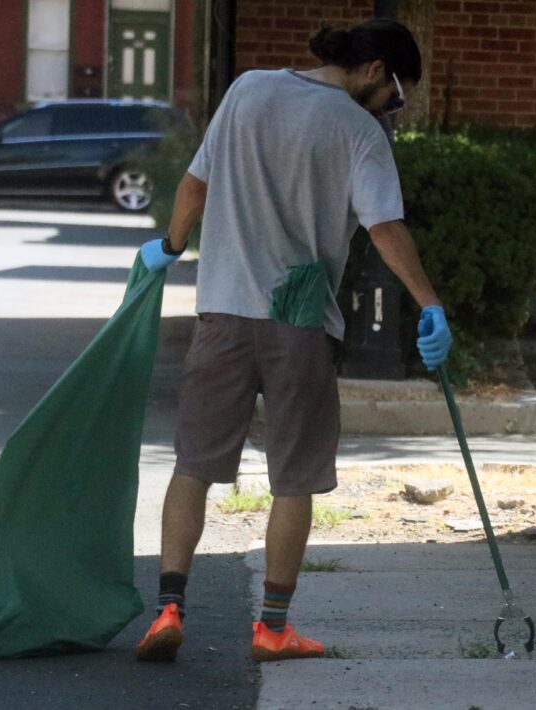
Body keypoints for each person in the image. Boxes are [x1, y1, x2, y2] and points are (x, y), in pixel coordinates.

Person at [135, 17, 452, 663]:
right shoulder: (359, 131)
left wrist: (168, 247)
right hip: (299, 322)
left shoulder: (248, 90)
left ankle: (168, 609)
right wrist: (431, 305)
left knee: (193, 464)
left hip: (222, 312)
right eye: (396, 91)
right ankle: (272, 628)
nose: (395, 107)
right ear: (372, 69)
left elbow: (196, 183)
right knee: (295, 479)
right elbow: (386, 229)